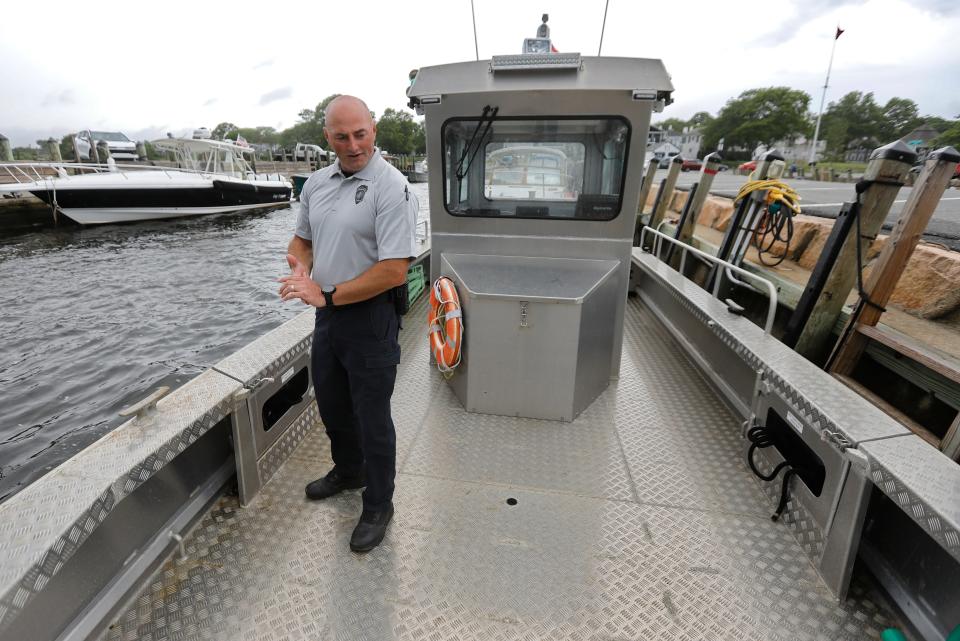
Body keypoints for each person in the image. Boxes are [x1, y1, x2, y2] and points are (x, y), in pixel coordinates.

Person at [278, 95, 418, 553]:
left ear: (373, 130)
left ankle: (379, 503)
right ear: (328, 138)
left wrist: (329, 294)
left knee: (372, 417)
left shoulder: (392, 187)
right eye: (342, 136)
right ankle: (348, 470)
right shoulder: (316, 184)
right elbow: (303, 240)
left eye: (360, 133)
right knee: (334, 405)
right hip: (328, 316)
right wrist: (300, 267)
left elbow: (394, 269)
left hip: (370, 316)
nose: (353, 144)